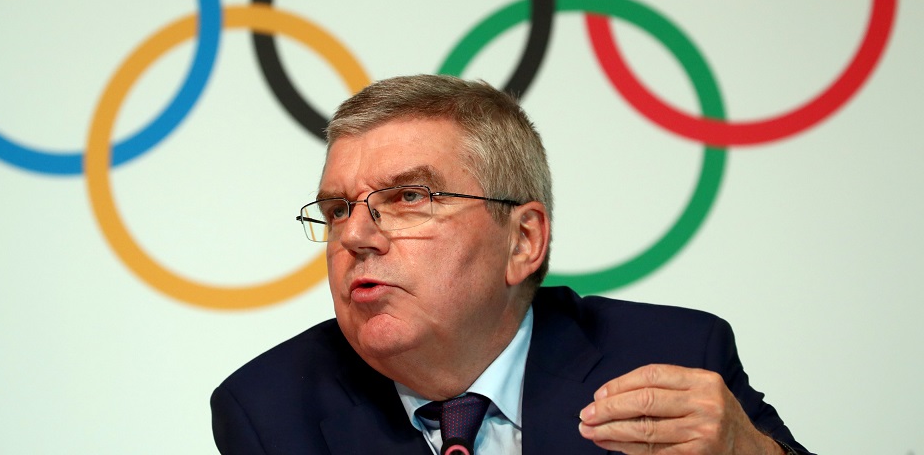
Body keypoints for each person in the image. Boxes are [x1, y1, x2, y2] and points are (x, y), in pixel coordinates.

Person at [211, 74, 811, 455]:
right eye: (338, 209)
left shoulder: (668, 353)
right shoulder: (270, 412)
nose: (357, 236)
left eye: (409, 197)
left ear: (523, 240)